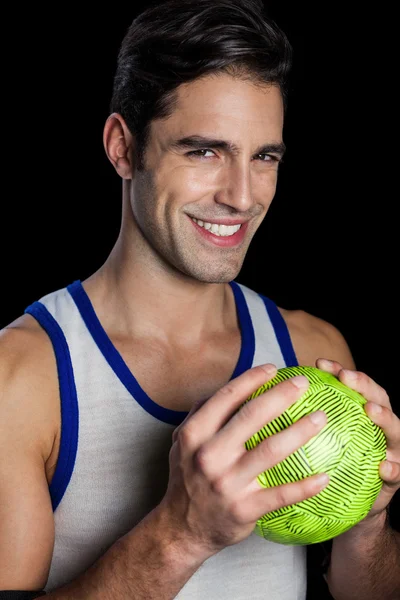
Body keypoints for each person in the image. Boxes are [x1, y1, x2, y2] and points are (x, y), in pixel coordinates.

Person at [0, 0, 399, 598]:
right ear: (123, 147)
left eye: (263, 157)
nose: (242, 196)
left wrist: (367, 526)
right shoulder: (23, 377)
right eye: (205, 151)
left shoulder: (313, 351)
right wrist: (183, 534)